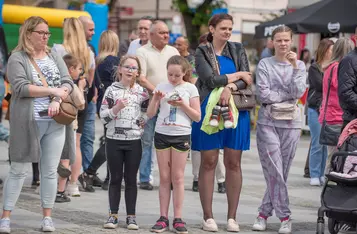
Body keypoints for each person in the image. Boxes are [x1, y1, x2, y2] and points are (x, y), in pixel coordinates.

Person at [0, 16, 73, 233]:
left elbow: (67, 81)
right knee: (18, 170)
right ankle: (6, 217)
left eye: (47, 33)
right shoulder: (17, 57)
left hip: (56, 121)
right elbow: (21, 88)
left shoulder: (53, 55)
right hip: (29, 121)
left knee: (50, 171)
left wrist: (58, 100)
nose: (45, 36)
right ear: (29, 33)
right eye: (41, 32)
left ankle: (47, 217)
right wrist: (52, 91)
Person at [192, 13, 252, 232]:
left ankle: (232, 218)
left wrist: (230, 87)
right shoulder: (202, 51)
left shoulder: (238, 49)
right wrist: (237, 75)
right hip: (208, 111)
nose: (227, 32)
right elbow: (209, 80)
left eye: (230, 28)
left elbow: (248, 80)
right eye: (223, 28)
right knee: (208, 162)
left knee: (233, 163)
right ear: (212, 29)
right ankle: (208, 217)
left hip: (236, 112)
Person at [252, 25, 306, 233]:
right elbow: (263, 95)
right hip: (268, 122)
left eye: (286, 40)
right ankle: (285, 216)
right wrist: (287, 96)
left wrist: (294, 67)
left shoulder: (299, 65)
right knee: (274, 169)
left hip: (292, 123)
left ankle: (263, 213)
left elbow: (298, 91)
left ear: (291, 41)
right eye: (279, 40)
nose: (283, 43)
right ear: (272, 42)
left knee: (281, 172)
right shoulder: (265, 64)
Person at [147, 55, 201, 233]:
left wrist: (183, 105)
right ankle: (163, 217)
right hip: (162, 133)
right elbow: (150, 113)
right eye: (170, 74)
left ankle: (178, 217)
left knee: (177, 178)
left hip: (181, 134)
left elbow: (197, 116)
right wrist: (155, 99)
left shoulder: (190, 88)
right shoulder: (162, 86)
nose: (173, 78)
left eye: (177, 75)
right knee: (164, 177)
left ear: (184, 73)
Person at [100, 55, 149, 230]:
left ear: (137, 72)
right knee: (115, 178)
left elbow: (146, 113)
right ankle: (112, 215)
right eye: (127, 67)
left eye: (134, 68)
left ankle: (131, 217)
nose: (130, 70)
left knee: (131, 180)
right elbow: (103, 116)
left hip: (134, 141)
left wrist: (142, 122)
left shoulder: (142, 92)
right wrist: (117, 108)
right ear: (119, 69)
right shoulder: (111, 90)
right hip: (114, 140)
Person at [51, 17, 95, 196]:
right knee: (76, 142)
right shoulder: (88, 51)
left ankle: (58, 184)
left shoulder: (59, 49)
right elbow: (91, 78)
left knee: (59, 142)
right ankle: (73, 183)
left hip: (62, 99)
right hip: (80, 98)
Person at [136, 20, 180, 190]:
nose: (166, 35)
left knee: (169, 141)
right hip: (150, 102)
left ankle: (167, 178)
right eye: (162, 32)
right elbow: (141, 77)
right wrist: (158, 93)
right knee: (147, 141)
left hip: (171, 103)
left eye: (167, 32)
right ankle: (145, 177)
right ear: (151, 35)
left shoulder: (173, 51)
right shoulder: (142, 52)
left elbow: (181, 74)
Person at [79, 30, 120, 192]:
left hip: (102, 104)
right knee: (112, 142)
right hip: (115, 105)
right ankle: (90, 172)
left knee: (110, 140)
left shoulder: (98, 61)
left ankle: (108, 177)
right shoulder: (115, 61)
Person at [319, 38, 354, 172]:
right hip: (337, 117)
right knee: (335, 157)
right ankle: (330, 186)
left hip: (331, 116)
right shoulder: (338, 68)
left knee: (334, 155)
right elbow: (344, 90)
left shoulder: (330, 67)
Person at [55, 54, 86, 203]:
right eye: (79, 69)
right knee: (66, 157)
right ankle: (61, 190)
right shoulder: (71, 86)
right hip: (69, 124)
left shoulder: (55, 83)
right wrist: (80, 87)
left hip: (54, 123)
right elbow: (81, 104)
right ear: (71, 69)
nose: (80, 72)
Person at [307, 39, 334, 186]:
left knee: (326, 143)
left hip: (329, 109)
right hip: (315, 108)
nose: (333, 52)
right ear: (324, 50)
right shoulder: (314, 68)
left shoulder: (334, 67)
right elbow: (320, 85)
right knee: (317, 142)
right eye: (331, 49)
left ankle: (322, 173)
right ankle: (314, 174)